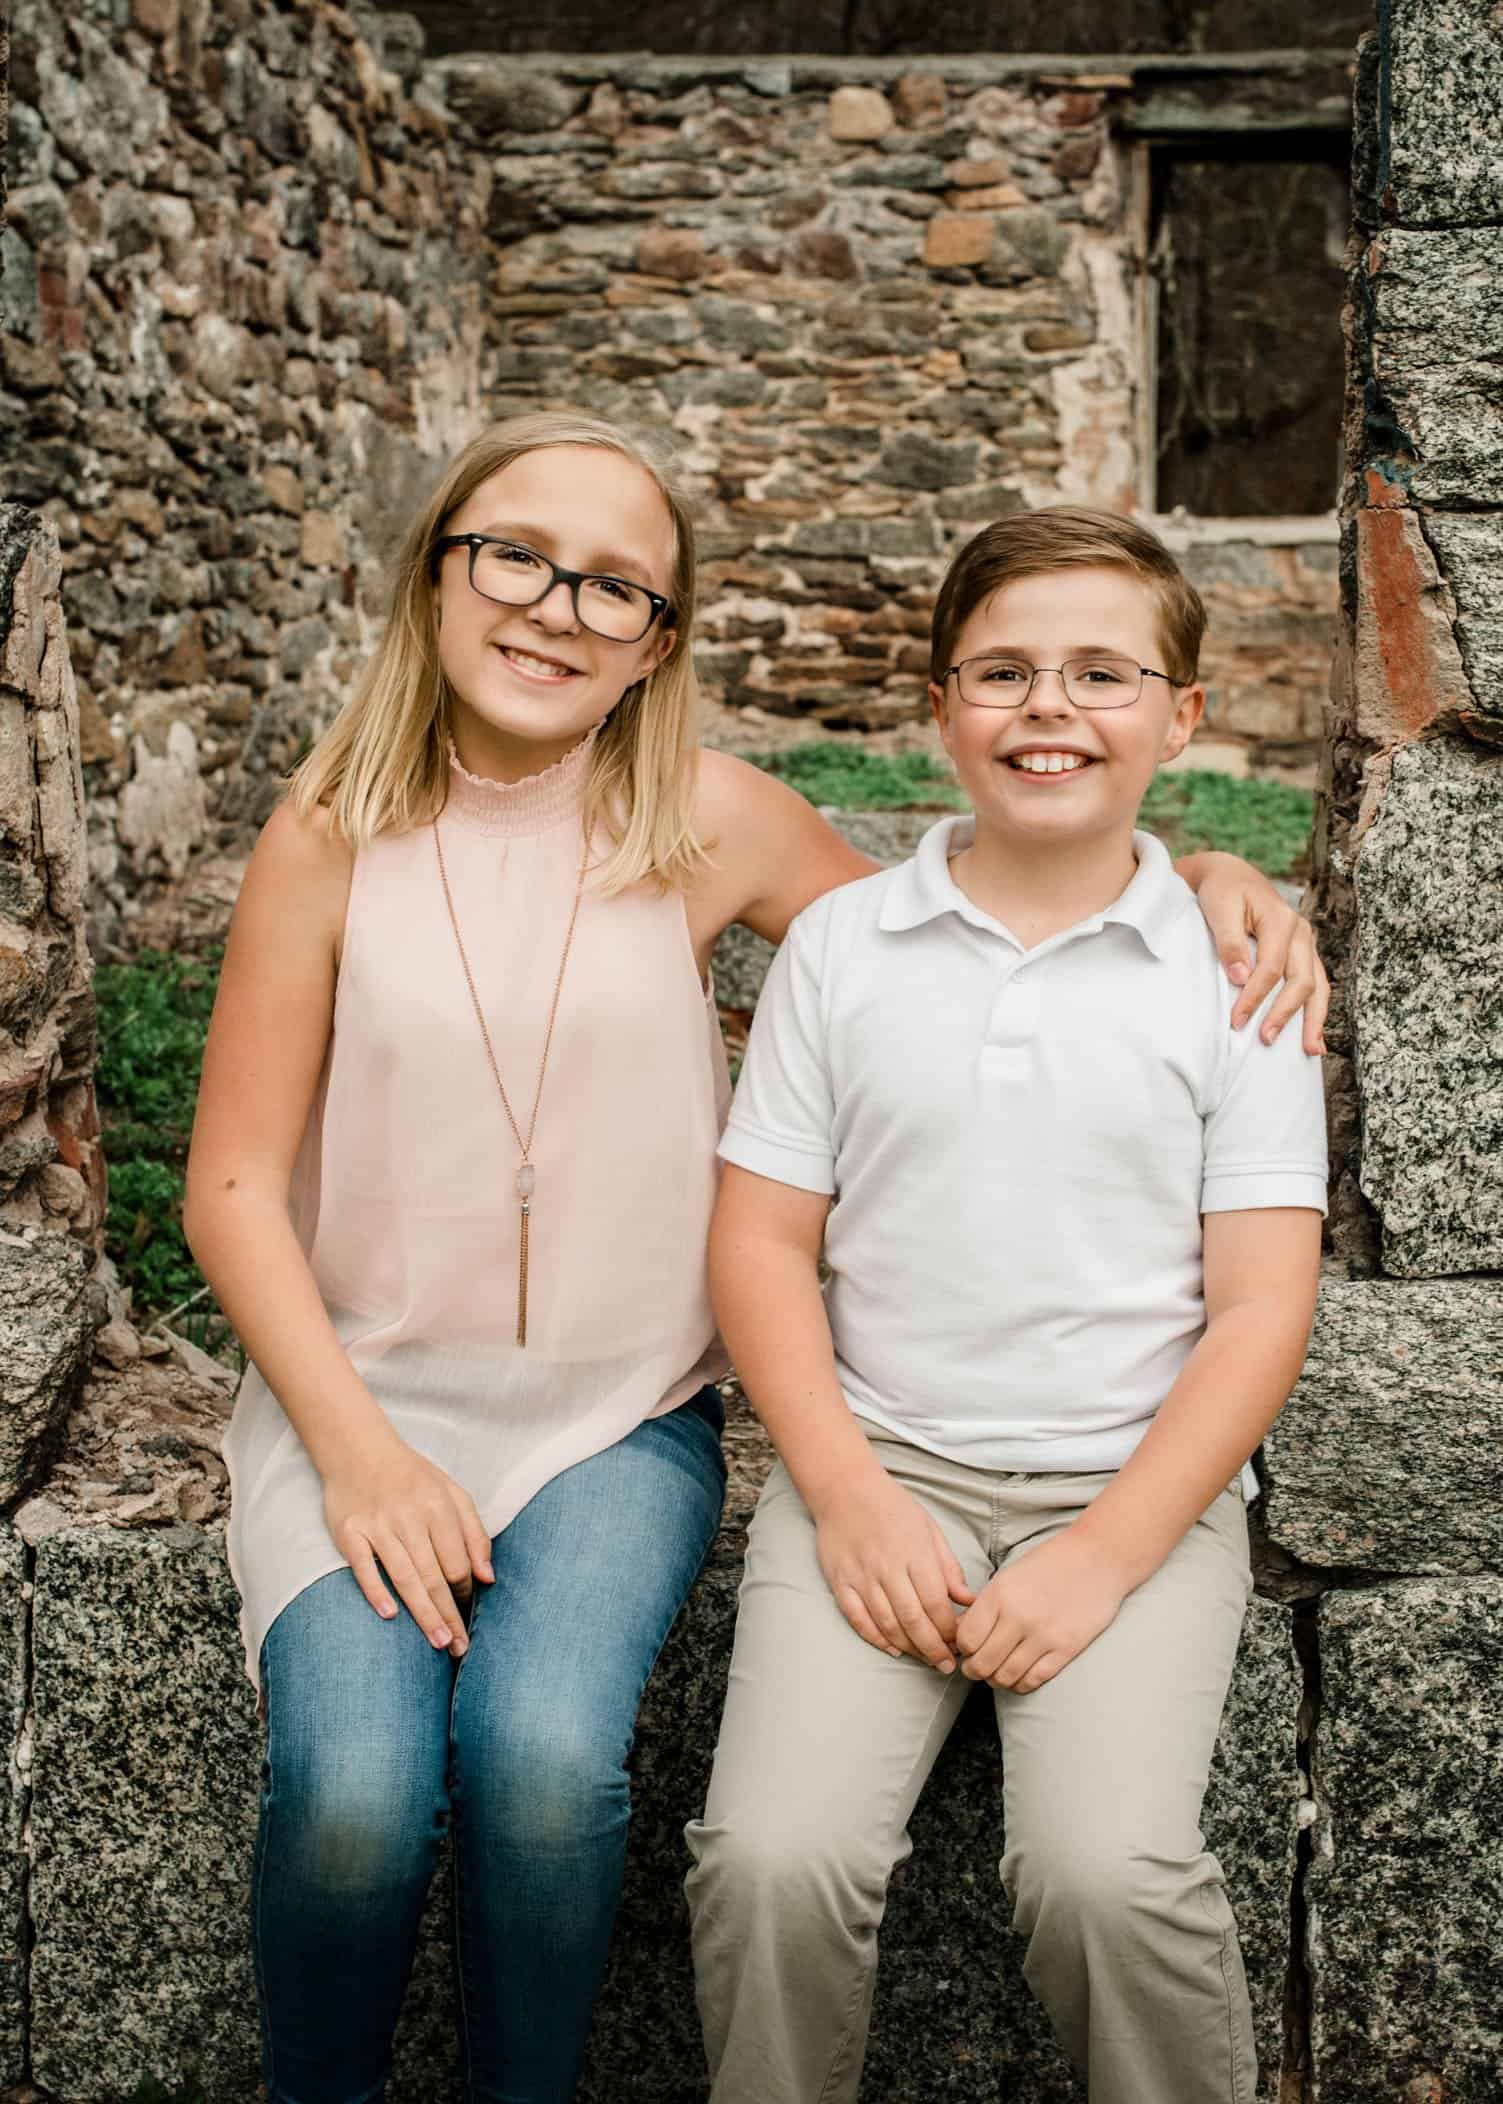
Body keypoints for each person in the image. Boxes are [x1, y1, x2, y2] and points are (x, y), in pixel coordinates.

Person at [184, 414, 1325, 2104]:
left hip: (617, 1415)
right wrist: (354, 1454)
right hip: (369, 1402)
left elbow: (991, 932)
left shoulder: (706, 820)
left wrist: (1209, 875)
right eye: (518, 558)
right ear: (437, 570)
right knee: (355, 1803)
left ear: (661, 637)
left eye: (618, 588)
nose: (560, 609)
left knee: (546, 1767)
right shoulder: (326, 832)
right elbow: (226, 1182)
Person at [687, 506, 1329, 2104]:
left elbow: (1259, 1309)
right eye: (1004, 672)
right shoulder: (843, 949)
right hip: (882, 1472)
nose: (1050, 707)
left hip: (1136, 1498)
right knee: (770, 1863)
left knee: (1106, 1875)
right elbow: (761, 1247)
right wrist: (842, 1498)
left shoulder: (1232, 970)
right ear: (942, 707)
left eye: (1103, 674)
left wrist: (1105, 1555)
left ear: (1183, 718)